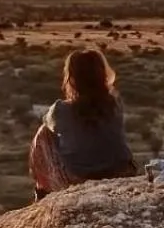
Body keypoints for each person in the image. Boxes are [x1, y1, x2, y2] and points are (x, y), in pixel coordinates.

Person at [29, 48, 137, 199]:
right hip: (121, 171)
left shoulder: (60, 109)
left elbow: (47, 122)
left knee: (43, 134)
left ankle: (42, 192)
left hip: (80, 177)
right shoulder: (114, 103)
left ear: (72, 78)